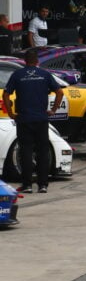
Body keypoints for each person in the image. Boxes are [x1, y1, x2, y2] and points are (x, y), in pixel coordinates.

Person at [2, 48, 64, 193]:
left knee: (26, 152)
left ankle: (27, 185)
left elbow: (6, 95)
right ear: (37, 61)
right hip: (41, 119)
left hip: (24, 119)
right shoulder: (45, 74)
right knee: (42, 152)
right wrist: (53, 110)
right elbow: (60, 92)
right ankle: (43, 185)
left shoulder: (17, 74)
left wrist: (11, 113)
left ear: (24, 61)